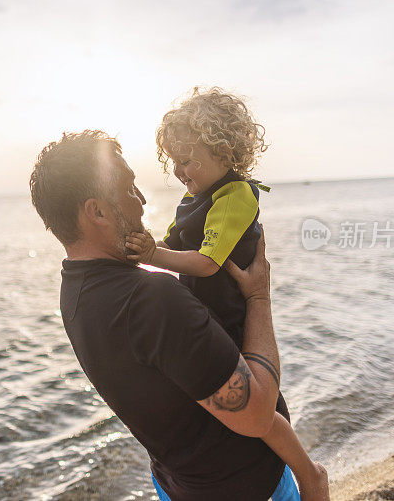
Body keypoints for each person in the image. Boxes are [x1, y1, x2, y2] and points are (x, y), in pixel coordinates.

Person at [29, 130, 328, 500]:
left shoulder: (73, 294)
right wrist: (258, 296)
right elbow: (258, 414)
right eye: (129, 189)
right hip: (245, 489)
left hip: (178, 486)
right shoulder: (151, 299)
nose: (141, 202)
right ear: (98, 211)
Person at [125, 87, 325, 499]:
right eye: (174, 162)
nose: (179, 171)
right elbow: (170, 245)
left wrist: (155, 255)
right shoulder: (194, 196)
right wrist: (138, 254)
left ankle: (309, 472)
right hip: (204, 311)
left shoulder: (235, 195)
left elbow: (206, 262)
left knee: (259, 407)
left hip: (231, 313)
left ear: (225, 152)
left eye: (187, 161)